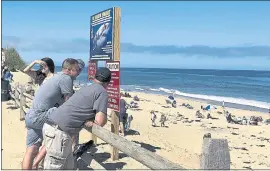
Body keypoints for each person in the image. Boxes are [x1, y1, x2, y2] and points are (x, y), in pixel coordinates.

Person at [42, 67, 111, 170]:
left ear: (95, 77)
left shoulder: (86, 88)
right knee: (54, 167)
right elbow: (100, 122)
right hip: (60, 133)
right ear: (108, 82)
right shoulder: (102, 92)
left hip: (51, 125)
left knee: (68, 167)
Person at [22, 58, 80, 170]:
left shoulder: (56, 77)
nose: (78, 72)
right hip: (40, 116)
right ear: (68, 70)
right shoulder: (66, 78)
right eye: (76, 69)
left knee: (31, 151)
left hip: (31, 116)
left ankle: (34, 164)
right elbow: (69, 104)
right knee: (58, 126)